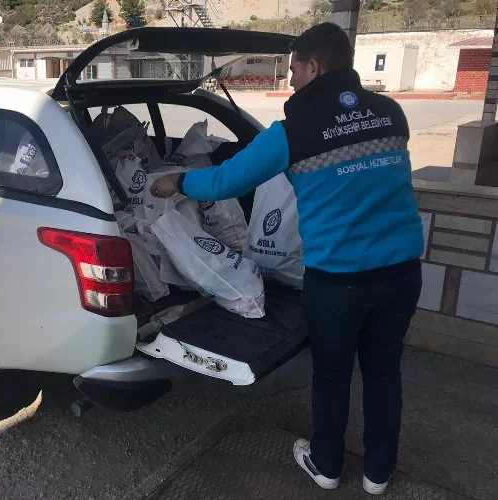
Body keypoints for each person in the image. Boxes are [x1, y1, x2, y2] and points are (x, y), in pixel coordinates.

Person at [150, 22, 423, 496]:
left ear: (314, 66)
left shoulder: (293, 131)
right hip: (401, 275)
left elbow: (226, 182)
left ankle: (327, 466)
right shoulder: (391, 114)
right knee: (383, 371)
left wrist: (176, 181)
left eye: (294, 69)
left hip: (338, 282)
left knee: (333, 374)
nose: (291, 79)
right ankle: (378, 475)